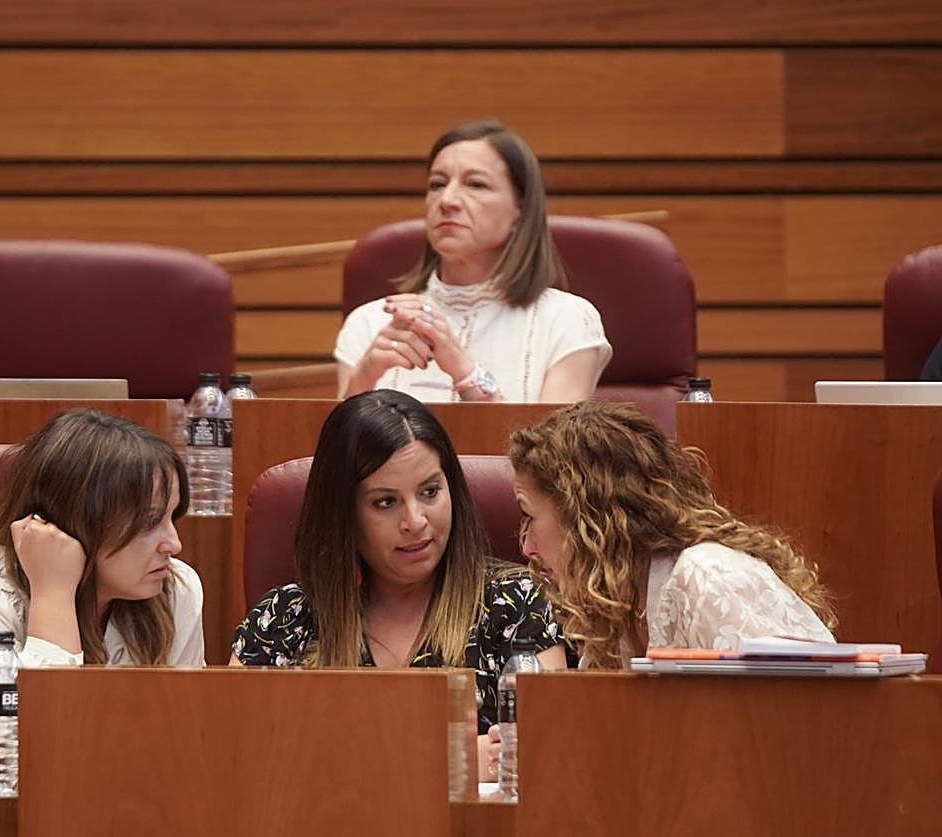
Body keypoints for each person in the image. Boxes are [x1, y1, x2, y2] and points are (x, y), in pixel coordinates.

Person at [231, 390, 566, 777]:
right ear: (343, 515)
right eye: (385, 503)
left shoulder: (517, 600)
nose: (416, 521)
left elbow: (550, 753)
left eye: (429, 492)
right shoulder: (285, 619)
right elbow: (239, 756)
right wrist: (447, 761)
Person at [508, 400, 837, 669]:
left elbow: (788, 726)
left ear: (585, 517)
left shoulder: (708, 576)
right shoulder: (617, 596)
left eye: (530, 517)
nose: (527, 547)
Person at [0, 408, 205, 669]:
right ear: (74, 522)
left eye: (171, 516)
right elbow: (21, 731)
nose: (174, 545)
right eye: (149, 522)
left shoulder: (175, 590)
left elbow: (182, 726)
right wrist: (54, 595)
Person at [335, 120, 611, 403]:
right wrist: (364, 377)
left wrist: (465, 372)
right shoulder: (369, 323)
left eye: (476, 184)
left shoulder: (567, 320)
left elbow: (555, 448)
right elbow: (339, 447)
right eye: (437, 184)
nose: (447, 200)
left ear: (520, 209)